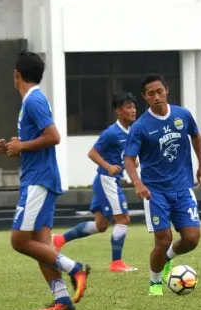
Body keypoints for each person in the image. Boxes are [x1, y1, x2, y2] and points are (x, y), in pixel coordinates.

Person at [0, 50, 90, 310]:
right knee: (40, 245)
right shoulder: (32, 101)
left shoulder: (33, 101)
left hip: (38, 180)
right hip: (41, 177)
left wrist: (22, 145)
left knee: (19, 241)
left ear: (17, 75)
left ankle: (76, 269)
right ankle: (62, 300)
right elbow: (37, 140)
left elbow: (54, 136)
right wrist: (13, 146)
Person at [124, 74, 201, 296]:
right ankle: (154, 282)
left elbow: (196, 137)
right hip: (155, 192)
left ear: (167, 90)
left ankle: (169, 257)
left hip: (182, 187)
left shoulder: (182, 115)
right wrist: (138, 183)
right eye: (151, 94)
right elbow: (129, 159)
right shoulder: (140, 126)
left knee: (191, 239)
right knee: (163, 239)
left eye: (159, 91)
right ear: (145, 97)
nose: (157, 97)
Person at [52, 93, 138, 272]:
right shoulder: (111, 133)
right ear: (118, 110)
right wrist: (108, 166)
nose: (133, 110)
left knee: (100, 225)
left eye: (134, 106)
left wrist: (131, 162)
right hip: (107, 181)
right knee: (123, 219)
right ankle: (116, 263)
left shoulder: (131, 131)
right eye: (128, 107)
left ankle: (59, 240)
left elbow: (124, 154)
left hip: (108, 181)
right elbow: (92, 153)